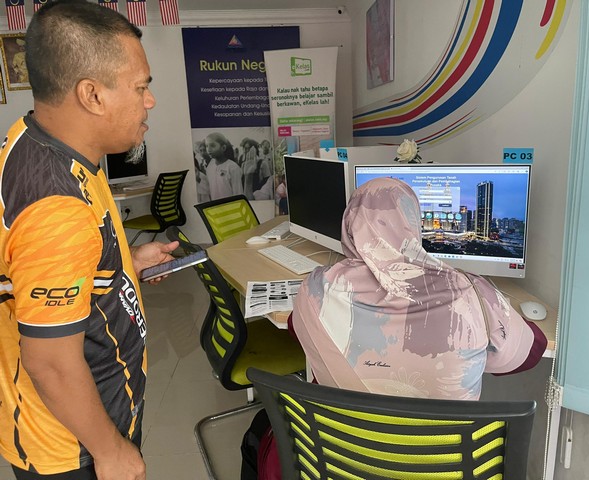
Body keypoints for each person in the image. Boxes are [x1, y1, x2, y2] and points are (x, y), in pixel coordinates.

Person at [241, 177, 546, 478]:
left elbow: (297, 328)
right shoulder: (471, 291)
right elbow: (530, 353)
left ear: (349, 225)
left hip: (343, 459)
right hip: (443, 466)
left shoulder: (315, 288)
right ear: (413, 225)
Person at [0, 1, 179, 479]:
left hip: (94, 414)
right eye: (140, 87)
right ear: (92, 95)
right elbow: (51, 362)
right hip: (74, 447)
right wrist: (110, 450)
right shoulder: (56, 207)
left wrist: (126, 262)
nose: (149, 101)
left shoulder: (44, 143)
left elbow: (52, 271)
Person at [205, 132, 243, 201]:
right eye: (207, 146)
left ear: (223, 148)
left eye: (212, 145)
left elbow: (238, 193)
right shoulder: (210, 166)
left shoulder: (232, 167)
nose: (208, 149)